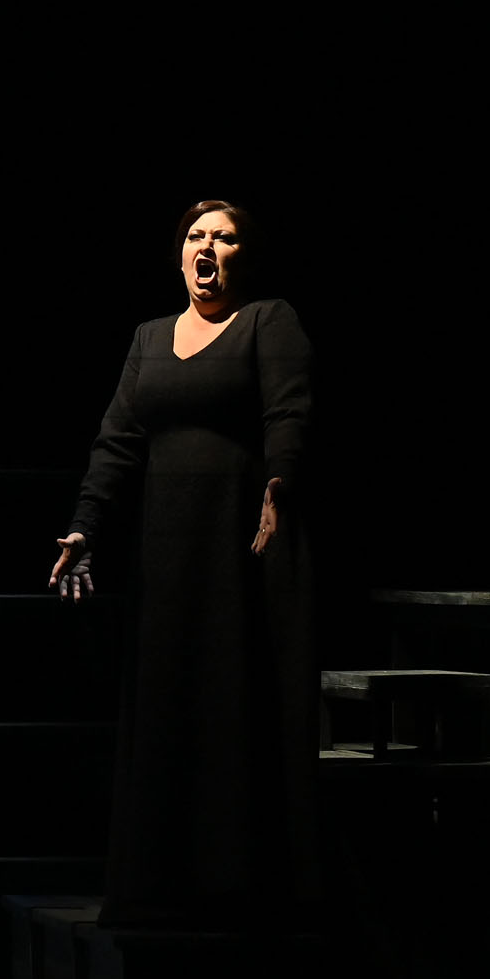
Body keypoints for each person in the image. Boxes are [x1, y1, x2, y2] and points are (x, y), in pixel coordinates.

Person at [50, 199, 316, 929]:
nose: (207, 248)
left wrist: (279, 484)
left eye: (223, 238)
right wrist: (85, 526)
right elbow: (117, 441)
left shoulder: (267, 321)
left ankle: (238, 884)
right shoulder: (149, 338)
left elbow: (288, 411)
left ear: (243, 256)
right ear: (178, 256)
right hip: (165, 553)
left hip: (239, 544)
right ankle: (159, 883)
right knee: (165, 702)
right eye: (196, 237)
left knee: (232, 701)